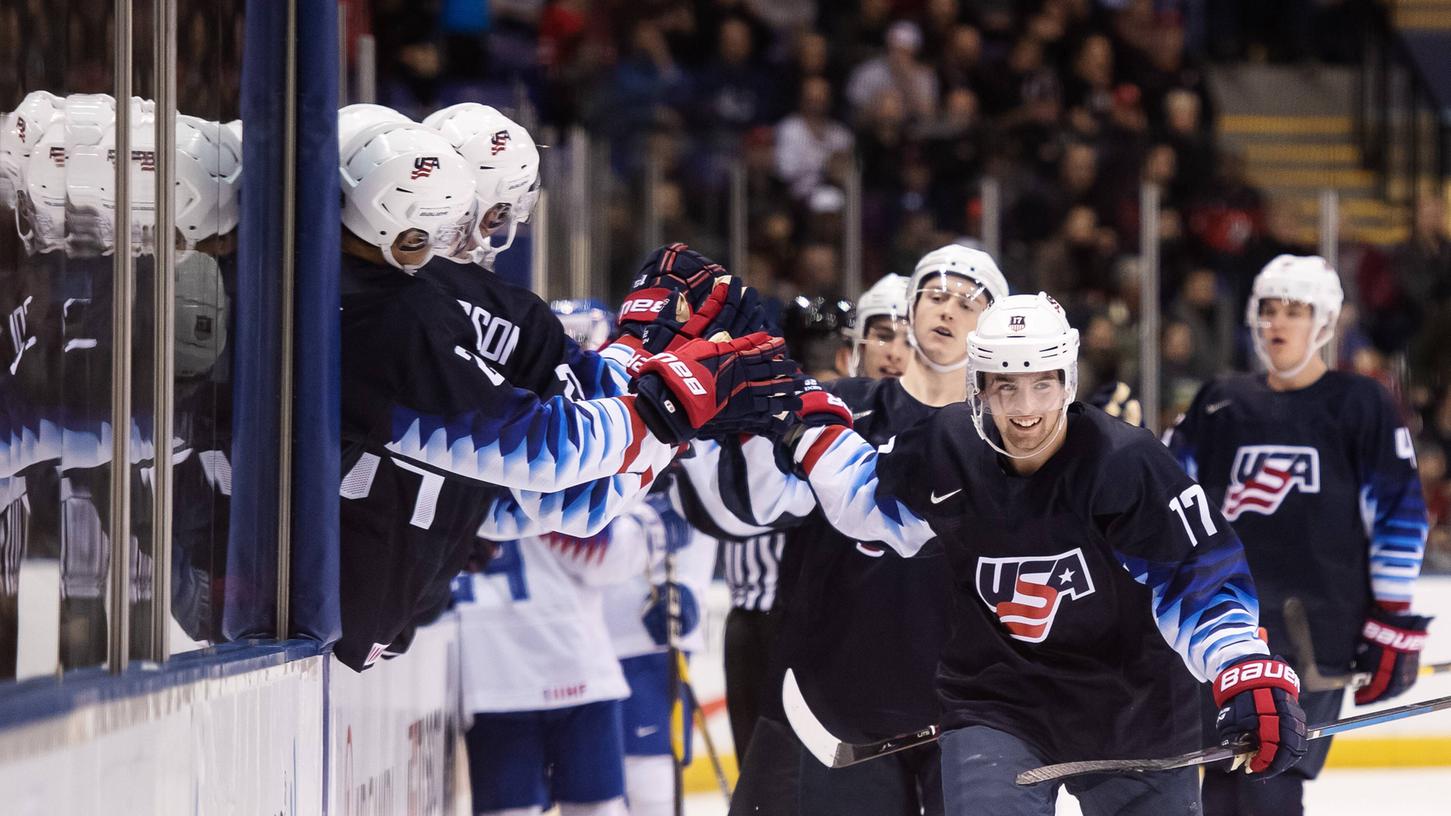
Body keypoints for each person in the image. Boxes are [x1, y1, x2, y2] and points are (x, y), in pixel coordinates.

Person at [780, 292, 1307, 815]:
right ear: (980, 387)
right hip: (998, 705)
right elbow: (865, 501)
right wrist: (803, 423)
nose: (1026, 408)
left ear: (1067, 382)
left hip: (1132, 709)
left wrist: (1244, 667)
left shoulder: (1124, 463)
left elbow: (1201, 579)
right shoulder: (948, 448)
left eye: (1042, 384)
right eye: (1006, 385)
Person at [335, 117, 793, 670]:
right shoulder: (427, 313)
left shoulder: (367, 292)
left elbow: (508, 501)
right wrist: (665, 388)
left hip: (355, 587)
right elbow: (567, 489)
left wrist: (649, 382)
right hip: (356, 592)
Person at [708, 244, 1008, 816]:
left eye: (968, 302)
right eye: (936, 295)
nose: (947, 310)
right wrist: (739, 414)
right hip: (842, 706)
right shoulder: (839, 406)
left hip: (971, 714)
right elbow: (759, 505)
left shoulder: (1007, 437)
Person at [1165, 255, 1431, 816]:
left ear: (1327, 322)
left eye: (1295, 310)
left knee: (1272, 778)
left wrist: (1392, 619)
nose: (1277, 323)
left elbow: (1399, 515)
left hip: (1317, 629)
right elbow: (1166, 505)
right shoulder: (1220, 401)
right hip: (1223, 624)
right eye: (1268, 309)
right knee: (1216, 783)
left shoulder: (1360, 403)